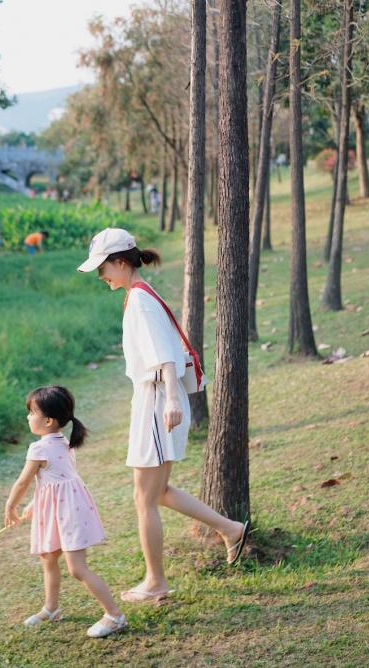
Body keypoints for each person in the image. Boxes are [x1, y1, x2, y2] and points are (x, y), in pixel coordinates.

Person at [77, 228, 250, 603]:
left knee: (145, 498)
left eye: (102, 268)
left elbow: (165, 355)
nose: (100, 276)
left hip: (157, 399)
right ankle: (231, 529)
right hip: (155, 398)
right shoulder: (139, 295)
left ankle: (156, 581)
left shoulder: (140, 300)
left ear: (121, 263)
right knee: (158, 492)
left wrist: (171, 398)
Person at [4, 385, 127, 638]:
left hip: (69, 513)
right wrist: (36, 504)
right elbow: (56, 479)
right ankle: (51, 608)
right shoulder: (63, 442)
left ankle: (115, 616)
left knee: (77, 569)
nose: (28, 417)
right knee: (48, 556)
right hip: (63, 508)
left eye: (31, 412)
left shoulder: (38, 449)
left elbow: (23, 482)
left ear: (48, 420)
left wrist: (11, 505)